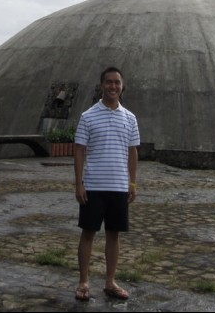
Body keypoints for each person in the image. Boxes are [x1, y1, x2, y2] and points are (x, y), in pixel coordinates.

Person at [74, 67, 140, 302]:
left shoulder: (130, 118)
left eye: (117, 83)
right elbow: (80, 151)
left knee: (114, 236)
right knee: (88, 233)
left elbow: (132, 152)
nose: (113, 86)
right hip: (93, 186)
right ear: (102, 85)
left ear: (122, 86)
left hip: (119, 186)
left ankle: (110, 281)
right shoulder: (88, 116)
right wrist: (79, 183)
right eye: (109, 82)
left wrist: (132, 183)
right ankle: (83, 281)